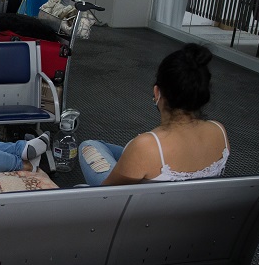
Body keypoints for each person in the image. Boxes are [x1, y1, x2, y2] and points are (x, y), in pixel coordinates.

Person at [78, 43, 229, 186]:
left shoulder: (146, 145)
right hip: (197, 207)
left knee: (89, 146)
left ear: (157, 92)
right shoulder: (219, 131)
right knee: (115, 150)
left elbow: (106, 197)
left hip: (148, 210)